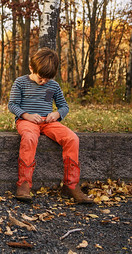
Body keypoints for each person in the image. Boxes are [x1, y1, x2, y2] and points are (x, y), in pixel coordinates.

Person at [8, 47, 93, 204]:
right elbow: (12, 105)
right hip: (27, 121)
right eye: (41, 78)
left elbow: (64, 106)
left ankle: (71, 185)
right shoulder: (20, 82)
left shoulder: (53, 86)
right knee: (29, 138)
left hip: (48, 122)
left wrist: (57, 114)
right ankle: (24, 184)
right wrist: (26, 115)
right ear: (31, 68)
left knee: (72, 138)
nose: (43, 82)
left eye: (47, 79)